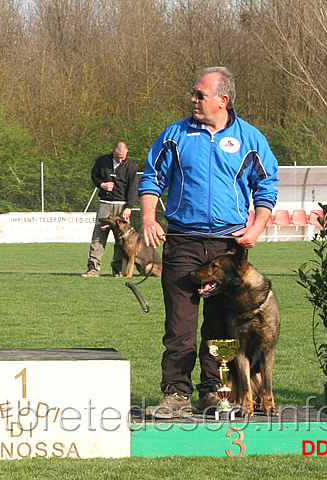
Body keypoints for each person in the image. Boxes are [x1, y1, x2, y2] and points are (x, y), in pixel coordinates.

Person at [138, 67, 279, 418]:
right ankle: (176, 394)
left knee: (221, 328)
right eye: (194, 94)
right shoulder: (175, 135)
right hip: (183, 240)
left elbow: (266, 186)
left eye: (200, 95)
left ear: (223, 99)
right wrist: (148, 218)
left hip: (227, 248)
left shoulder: (250, 139)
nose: (193, 100)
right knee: (180, 324)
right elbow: (152, 177)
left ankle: (215, 393)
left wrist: (257, 227)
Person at [81, 141, 138, 278]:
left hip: (122, 206)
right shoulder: (102, 161)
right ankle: (93, 269)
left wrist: (129, 207)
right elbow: (94, 176)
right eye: (118, 157)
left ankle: (117, 270)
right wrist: (102, 185)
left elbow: (133, 188)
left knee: (122, 240)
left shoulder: (130, 166)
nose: (120, 160)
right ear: (113, 152)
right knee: (98, 237)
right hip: (105, 203)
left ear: (127, 153)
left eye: (123, 157)